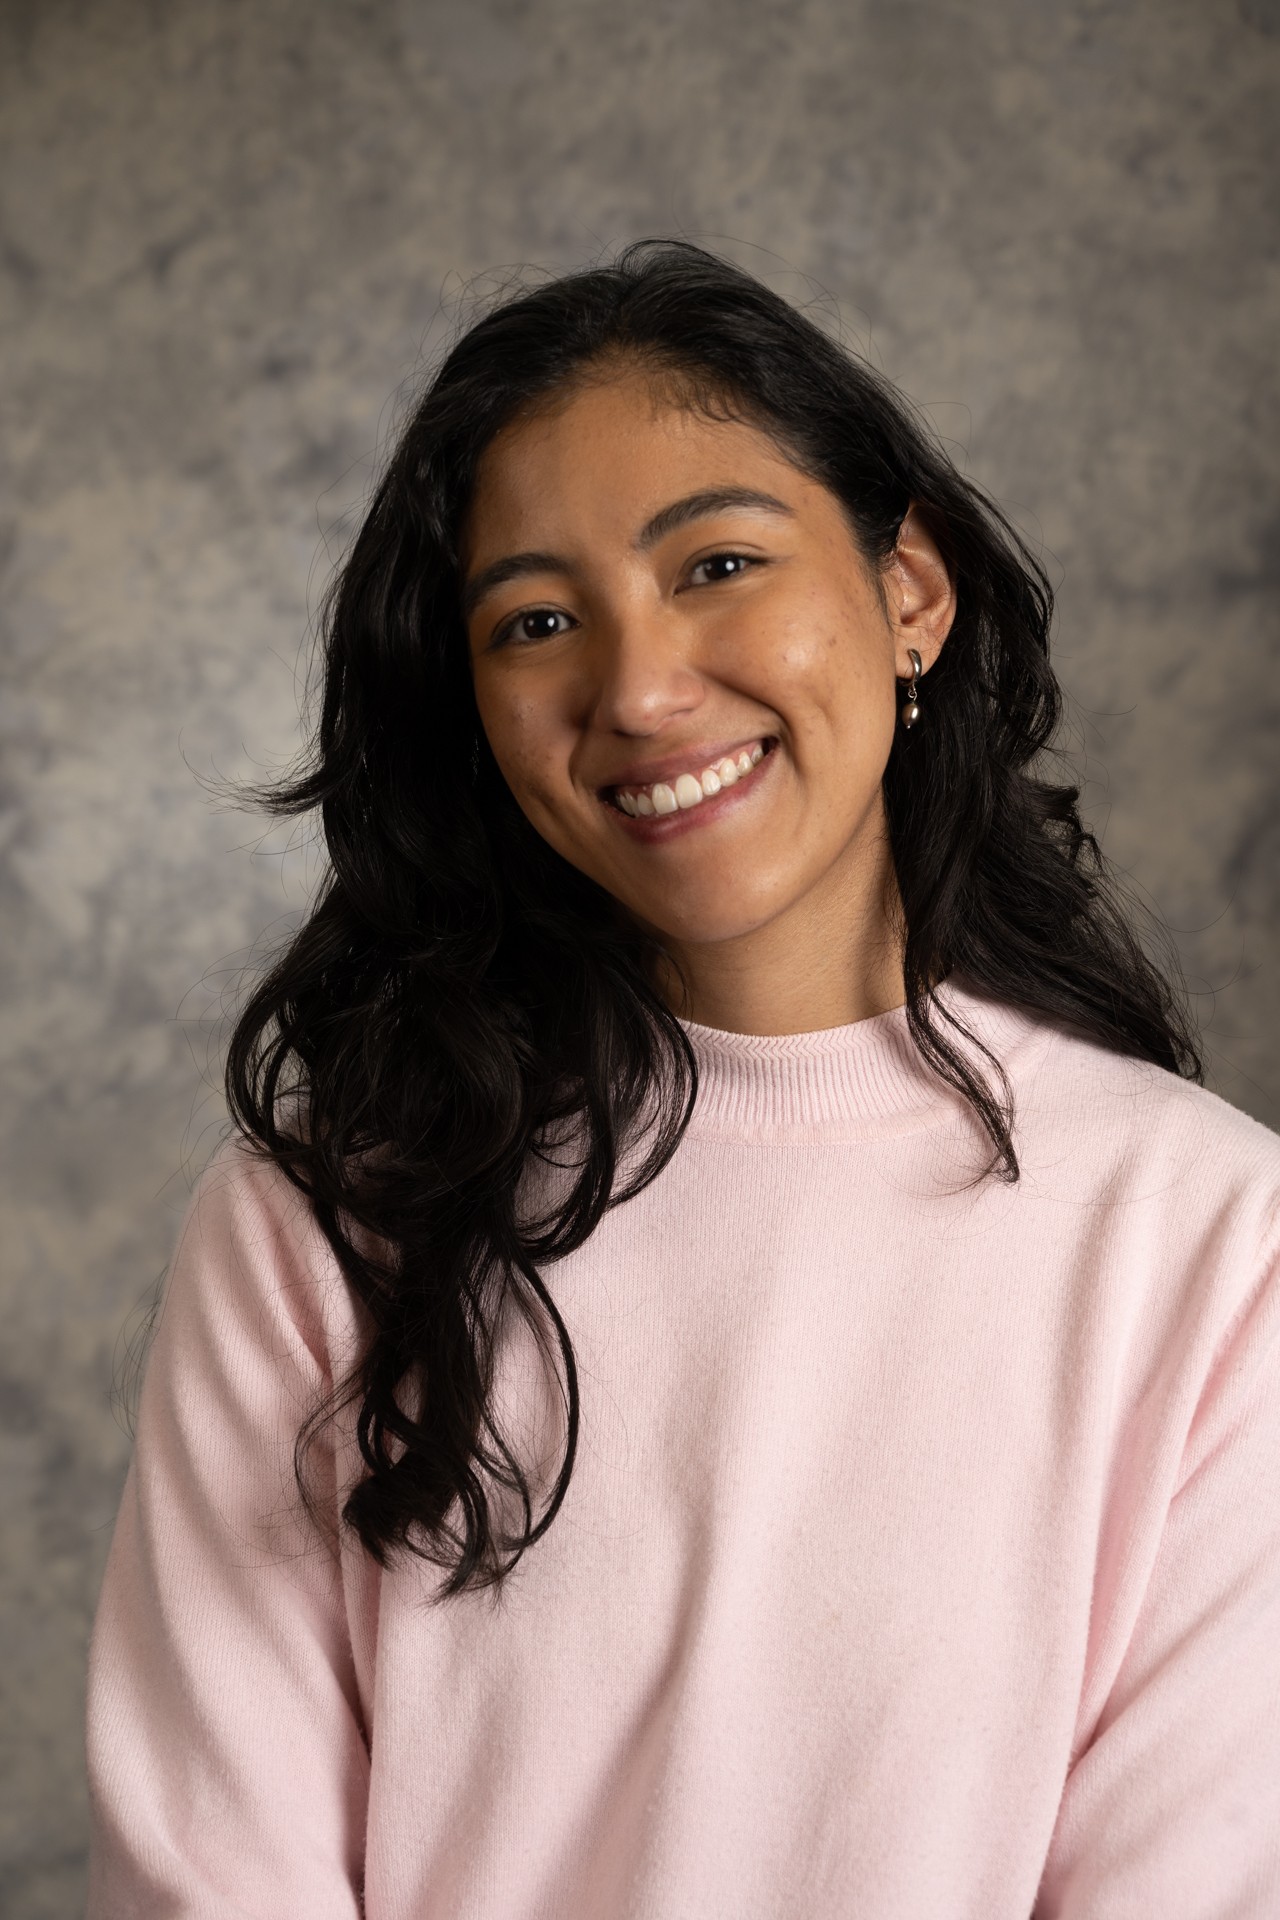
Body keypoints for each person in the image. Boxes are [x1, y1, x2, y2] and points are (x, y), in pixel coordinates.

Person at [85, 241, 1280, 1918]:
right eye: (540, 620)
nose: (638, 692)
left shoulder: (1216, 1242)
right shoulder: (326, 1221)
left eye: (717, 561)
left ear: (910, 593)